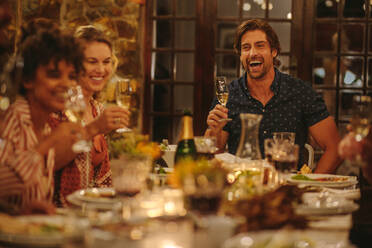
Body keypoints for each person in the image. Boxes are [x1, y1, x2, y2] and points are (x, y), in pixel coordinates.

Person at [206, 19, 342, 173]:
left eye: (260, 45)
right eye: (246, 48)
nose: (252, 53)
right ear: (240, 55)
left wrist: (311, 187)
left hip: (288, 189)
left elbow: (335, 148)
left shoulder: (300, 92)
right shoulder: (228, 96)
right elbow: (213, 155)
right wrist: (214, 131)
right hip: (244, 186)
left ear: (274, 51)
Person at [0, 29, 85, 214]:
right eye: (54, 74)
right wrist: (49, 143)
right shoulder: (11, 119)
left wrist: (21, 211)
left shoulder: (44, 125)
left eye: (71, 77)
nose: (66, 84)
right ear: (28, 80)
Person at [49, 25, 130, 207]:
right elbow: (46, 162)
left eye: (106, 61)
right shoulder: (58, 107)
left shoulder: (97, 109)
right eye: (92, 61)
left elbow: (102, 178)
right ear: (74, 64)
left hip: (91, 214)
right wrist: (93, 129)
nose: (101, 69)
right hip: (57, 215)